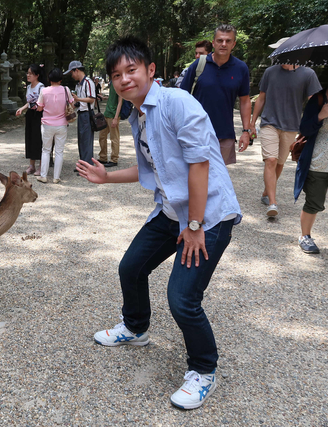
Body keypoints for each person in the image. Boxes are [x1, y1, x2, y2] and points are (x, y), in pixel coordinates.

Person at [77, 36, 241, 410]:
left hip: (208, 217)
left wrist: (196, 226)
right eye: (117, 74)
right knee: (130, 267)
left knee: (182, 299)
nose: (124, 79)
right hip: (171, 213)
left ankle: (203, 370)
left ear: (150, 71)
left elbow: (200, 164)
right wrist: (107, 178)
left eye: (131, 70)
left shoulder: (176, 103)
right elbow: (150, 167)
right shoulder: (140, 115)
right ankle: (135, 328)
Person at [250, 39, 322, 219]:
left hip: (291, 126)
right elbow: (261, 98)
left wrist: (311, 124)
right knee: (271, 161)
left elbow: (315, 101)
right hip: (269, 123)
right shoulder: (269, 72)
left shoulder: (308, 74)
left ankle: (267, 191)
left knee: (280, 163)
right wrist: (252, 122)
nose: (278, 54)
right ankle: (273, 203)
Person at [180, 25, 251, 165]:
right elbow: (182, 96)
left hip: (224, 134)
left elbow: (245, 100)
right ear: (213, 43)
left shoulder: (241, 68)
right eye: (220, 40)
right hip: (197, 132)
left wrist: (246, 131)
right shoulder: (199, 64)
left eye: (228, 41)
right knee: (195, 174)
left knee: (219, 177)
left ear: (233, 44)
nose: (223, 44)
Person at [294, 55, 328, 258]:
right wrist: (320, 115)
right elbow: (304, 128)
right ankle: (305, 236)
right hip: (319, 161)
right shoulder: (319, 98)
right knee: (314, 203)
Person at [34, 68, 70, 184]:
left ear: (49, 79)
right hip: (62, 124)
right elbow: (72, 103)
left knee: (46, 150)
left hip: (47, 125)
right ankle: (56, 177)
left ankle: (43, 176)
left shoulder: (44, 91)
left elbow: (39, 107)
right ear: (60, 79)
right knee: (59, 151)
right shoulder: (66, 90)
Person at [65, 61, 96, 172]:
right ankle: (83, 164)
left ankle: (88, 167)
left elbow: (92, 99)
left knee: (87, 140)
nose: (72, 75)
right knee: (82, 140)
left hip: (87, 114)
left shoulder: (88, 82)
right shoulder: (79, 84)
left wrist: (78, 99)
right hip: (81, 114)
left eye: (72, 73)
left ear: (76, 70)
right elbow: (80, 101)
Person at [16, 64, 45, 175]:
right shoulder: (28, 87)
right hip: (30, 114)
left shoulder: (41, 87)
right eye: (27, 73)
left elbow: (44, 102)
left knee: (39, 140)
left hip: (39, 115)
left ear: (37, 75)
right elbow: (29, 102)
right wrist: (22, 109)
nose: (28, 75)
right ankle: (31, 165)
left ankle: (41, 166)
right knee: (30, 139)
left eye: (30, 73)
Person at [98, 81, 125, 167]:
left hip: (113, 115)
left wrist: (116, 118)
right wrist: (105, 98)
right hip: (107, 113)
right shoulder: (112, 83)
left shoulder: (119, 84)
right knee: (102, 136)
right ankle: (103, 157)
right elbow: (113, 97)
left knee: (114, 138)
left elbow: (120, 101)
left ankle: (114, 159)